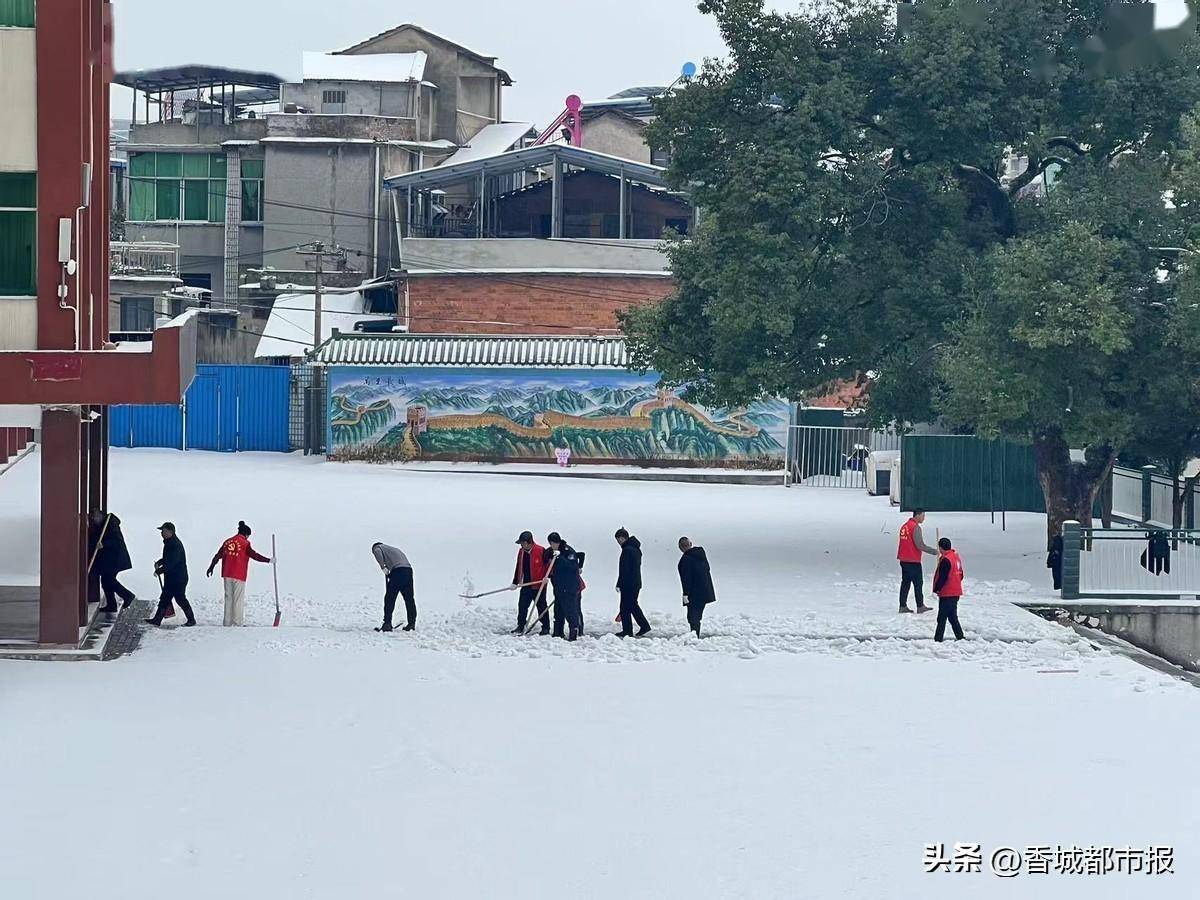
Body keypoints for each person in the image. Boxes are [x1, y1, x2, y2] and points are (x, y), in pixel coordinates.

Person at [207, 521, 270, 627]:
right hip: (239, 574)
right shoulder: (245, 544)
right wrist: (268, 560)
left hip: (227, 573)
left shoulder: (227, 542)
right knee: (238, 599)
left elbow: (218, 555)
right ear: (246, 534)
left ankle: (227, 622)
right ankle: (237, 623)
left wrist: (211, 567)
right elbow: (254, 555)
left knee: (228, 598)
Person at [147, 522, 195, 627]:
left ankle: (191, 619)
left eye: (163, 531)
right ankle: (157, 619)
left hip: (178, 578)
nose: (162, 533)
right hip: (172, 578)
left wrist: (160, 570)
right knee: (165, 598)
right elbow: (168, 559)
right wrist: (160, 562)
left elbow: (172, 562)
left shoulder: (175, 545)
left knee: (180, 599)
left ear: (170, 532)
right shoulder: (169, 543)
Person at [87, 509, 136, 612]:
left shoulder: (111, 525)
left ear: (101, 516)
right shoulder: (100, 526)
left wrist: (104, 544)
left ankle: (127, 595)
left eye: (95, 517)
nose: (94, 520)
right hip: (109, 560)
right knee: (105, 581)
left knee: (109, 580)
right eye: (92, 518)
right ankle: (112, 605)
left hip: (116, 559)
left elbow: (116, 541)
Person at [897, 508, 937, 614]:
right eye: (923, 515)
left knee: (905, 583)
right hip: (913, 560)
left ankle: (902, 605)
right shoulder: (915, 527)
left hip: (903, 559)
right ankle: (920, 606)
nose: (924, 518)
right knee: (918, 583)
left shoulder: (905, 526)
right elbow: (920, 545)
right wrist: (934, 551)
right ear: (918, 515)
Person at [615, 527, 651, 637]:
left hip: (628, 583)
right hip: (635, 582)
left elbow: (624, 569)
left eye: (618, 539)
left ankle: (628, 630)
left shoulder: (627, 550)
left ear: (622, 538)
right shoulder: (635, 549)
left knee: (625, 607)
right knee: (632, 605)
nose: (618, 542)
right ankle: (643, 626)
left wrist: (619, 583)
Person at [372, 542, 416, 632]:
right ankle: (411, 623)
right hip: (408, 570)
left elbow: (377, 552)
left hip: (398, 571)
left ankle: (387, 623)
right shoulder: (394, 549)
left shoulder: (378, 548)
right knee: (409, 599)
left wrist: (383, 567)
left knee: (390, 597)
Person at [512, 531, 549, 635]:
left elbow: (549, 565)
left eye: (523, 543)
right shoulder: (521, 552)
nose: (521, 545)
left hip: (539, 585)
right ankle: (520, 626)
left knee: (541, 606)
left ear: (529, 542)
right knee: (522, 606)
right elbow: (518, 567)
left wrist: (547, 577)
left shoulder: (541, 550)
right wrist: (515, 582)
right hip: (526, 584)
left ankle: (546, 627)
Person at [546, 532, 581, 642]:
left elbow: (572, 566)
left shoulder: (568, 551)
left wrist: (560, 557)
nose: (551, 546)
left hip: (569, 587)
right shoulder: (553, 551)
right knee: (558, 610)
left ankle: (573, 633)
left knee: (570, 611)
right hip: (559, 587)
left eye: (552, 544)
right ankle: (558, 632)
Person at [677, 537, 716, 637]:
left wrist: (686, 594)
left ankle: (694, 635)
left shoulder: (685, 560)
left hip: (694, 593)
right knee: (697, 615)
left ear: (680, 548)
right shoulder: (701, 555)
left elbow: (686, 579)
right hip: (705, 590)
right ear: (691, 544)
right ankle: (695, 634)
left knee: (692, 616)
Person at [932, 537, 965, 642]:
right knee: (952, 616)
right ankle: (960, 637)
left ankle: (938, 639)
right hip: (956, 592)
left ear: (941, 548)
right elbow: (961, 574)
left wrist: (937, 589)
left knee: (941, 618)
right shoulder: (955, 557)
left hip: (947, 593)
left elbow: (943, 577)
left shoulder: (946, 560)